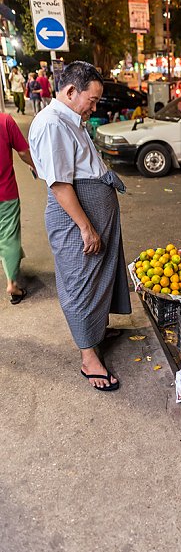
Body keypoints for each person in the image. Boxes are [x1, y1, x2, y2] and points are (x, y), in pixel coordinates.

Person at [29, 61, 132, 391]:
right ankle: (89, 359)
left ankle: (96, 331)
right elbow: (59, 184)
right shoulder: (51, 124)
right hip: (76, 220)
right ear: (71, 91)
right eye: (93, 99)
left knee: (100, 276)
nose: (95, 106)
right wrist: (85, 227)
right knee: (80, 284)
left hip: (94, 212)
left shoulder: (70, 120)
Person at [0, 113, 37, 303]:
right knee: (9, 234)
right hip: (5, 193)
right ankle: (12, 284)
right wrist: (35, 165)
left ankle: (11, 259)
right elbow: (23, 152)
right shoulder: (4, 121)